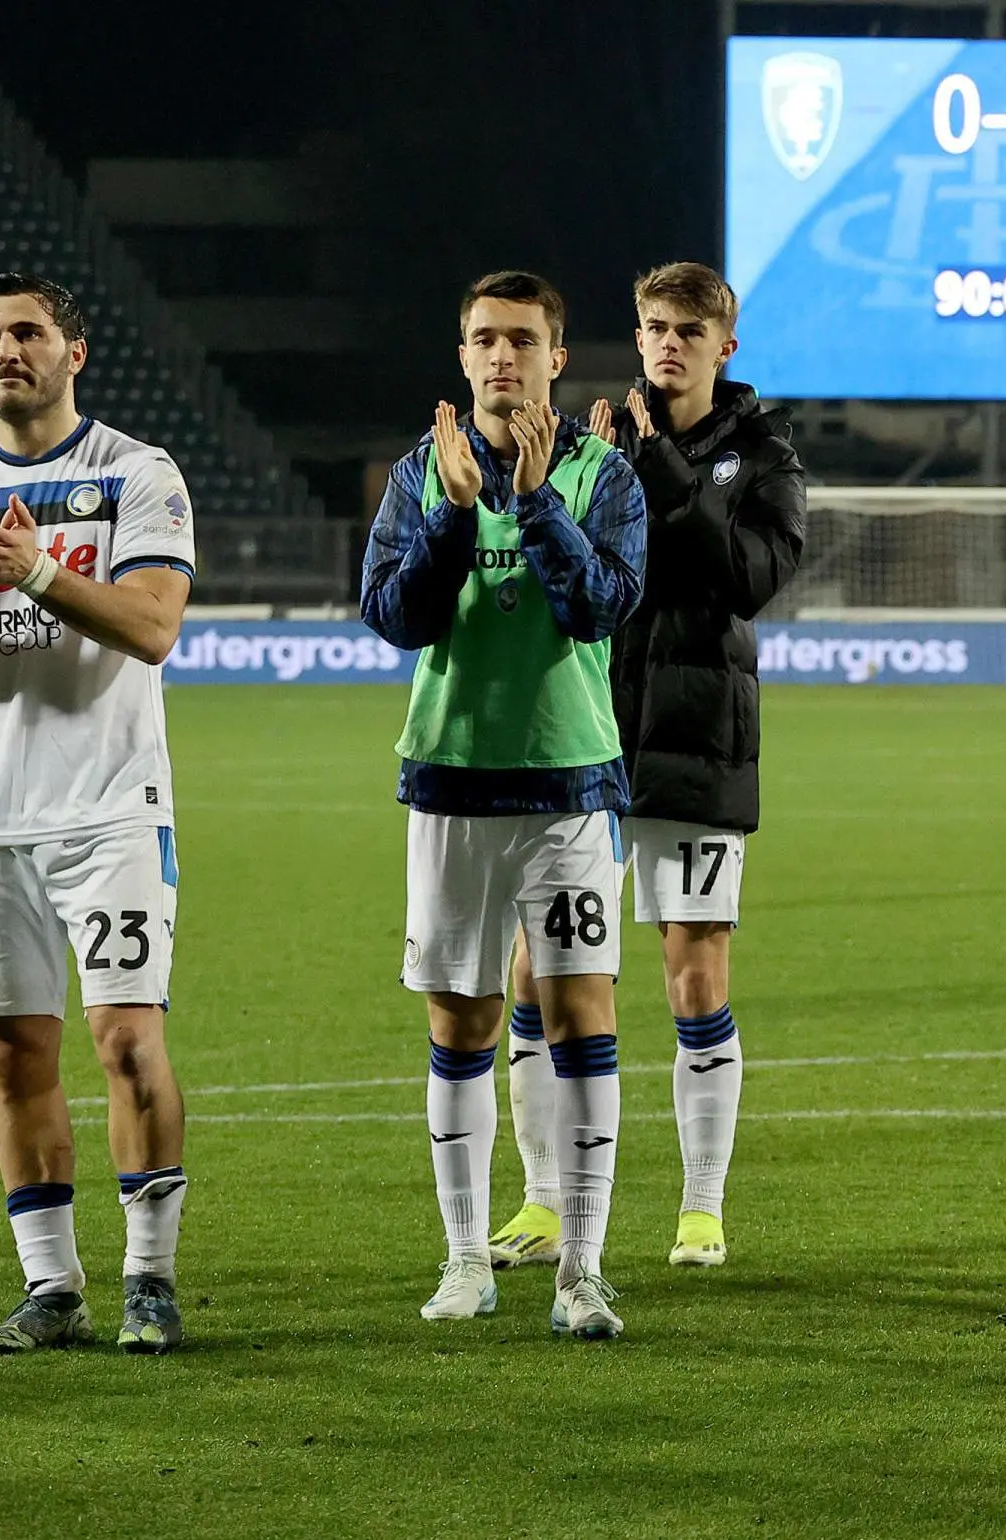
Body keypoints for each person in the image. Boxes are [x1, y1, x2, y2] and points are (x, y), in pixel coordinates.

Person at [0, 272, 196, 1355]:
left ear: (74, 352)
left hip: (109, 809)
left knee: (126, 1039)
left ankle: (149, 1277)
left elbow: (153, 627)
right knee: (14, 1055)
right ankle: (51, 1289)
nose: (5, 348)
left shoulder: (135, 475)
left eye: (28, 331)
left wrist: (37, 570)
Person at [488, 263, 806, 1272]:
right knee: (536, 976)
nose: (667, 344)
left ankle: (700, 1209)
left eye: (687, 331)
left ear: (725, 346)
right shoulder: (588, 445)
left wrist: (662, 466)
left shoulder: (762, 454)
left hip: (700, 739)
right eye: (653, 327)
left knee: (693, 977)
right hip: (583, 740)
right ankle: (542, 1204)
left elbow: (748, 580)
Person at [359, 270, 647, 1340]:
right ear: (462, 351)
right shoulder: (418, 473)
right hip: (449, 783)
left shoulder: (600, 474)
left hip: (570, 785)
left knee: (581, 1015)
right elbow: (393, 616)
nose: (500, 357)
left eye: (521, 339)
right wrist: (454, 513)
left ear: (556, 356)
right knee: (461, 1022)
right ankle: (464, 1258)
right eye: (483, 337)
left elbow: (600, 606)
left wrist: (530, 506)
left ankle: (581, 1269)